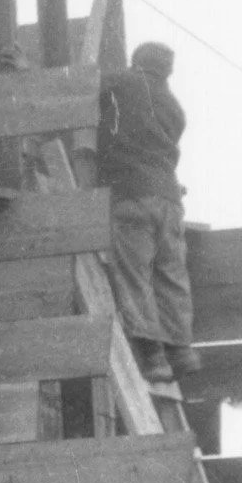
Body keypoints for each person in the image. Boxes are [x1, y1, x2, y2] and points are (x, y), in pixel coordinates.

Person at [97, 40, 200, 388]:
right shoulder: (175, 108)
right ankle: (182, 351)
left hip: (132, 193)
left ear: (136, 63)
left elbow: (77, 88)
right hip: (169, 199)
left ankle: (153, 356)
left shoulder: (124, 83)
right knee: (171, 272)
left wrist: (24, 69)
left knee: (134, 273)